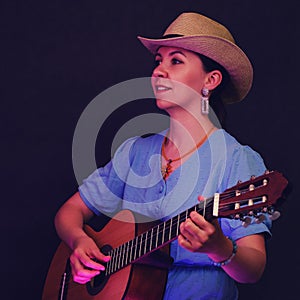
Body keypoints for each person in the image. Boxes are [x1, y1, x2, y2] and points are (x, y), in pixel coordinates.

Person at [54, 12, 272, 299]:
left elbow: (253, 268)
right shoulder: (135, 152)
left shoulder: (236, 159)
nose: (159, 71)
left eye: (176, 61)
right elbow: (68, 213)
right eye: (158, 62)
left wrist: (219, 247)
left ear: (211, 79)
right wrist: (79, 240)